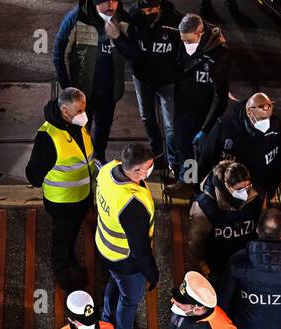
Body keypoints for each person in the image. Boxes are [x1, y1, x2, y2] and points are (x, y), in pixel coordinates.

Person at [25, 87, 94, 290]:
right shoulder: (48, 138)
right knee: (62, 239)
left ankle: (69, 258)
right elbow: (34, 175)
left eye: (84, 109)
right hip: (63, 203)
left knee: (71, 234)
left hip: (81, 198)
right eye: (79, 111)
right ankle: (63, 273)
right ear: (65, 109)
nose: (84, 115)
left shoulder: (76, 125)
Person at [94, 142, 157, 329]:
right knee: (130, 299)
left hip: (105, 247)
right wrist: (151, 274)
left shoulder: (107, 170)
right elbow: (140, 249)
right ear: (136, 170)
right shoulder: (132, 204)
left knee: (114, 282)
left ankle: (107, 317)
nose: (151, 168)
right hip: (125, 259)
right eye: (148, 165)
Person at [54, 0, 128, 161]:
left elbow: (133, 51)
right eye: (106, 2)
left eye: (114, 0)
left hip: (109, 91)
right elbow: (59, 54)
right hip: (82, 92)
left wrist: (120, 38)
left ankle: (99, 158)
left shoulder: (123, 18)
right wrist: (68, 90)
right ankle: (80, 161)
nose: (111, 6)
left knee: (103, 128)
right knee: (79, 131)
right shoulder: (76, 18)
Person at [114, 0, 181, 177]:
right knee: (147, 117)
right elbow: (129, 47)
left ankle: (173, 161)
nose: (148, 13)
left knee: (170, 124)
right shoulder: (135, 19)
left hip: (168, 81)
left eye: (151, 9)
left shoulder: (174, 22)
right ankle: (157, 153)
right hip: (143, 79)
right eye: (145, 9)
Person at [172, 13, 230, 188]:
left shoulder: (219, 55)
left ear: (200, 33)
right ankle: (188, 182)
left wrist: (206, 128)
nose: (185, 45)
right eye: (183, 41)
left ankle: (201, 187)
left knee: (203, 154)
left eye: (189, 41)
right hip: (183, 108)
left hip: (204, 113)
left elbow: (221, 95)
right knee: (184, 148)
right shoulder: (183, 45)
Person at [187, 159, 262, 293]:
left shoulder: (256, 198)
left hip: (247, 265)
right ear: (227, 185)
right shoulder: (205, 205)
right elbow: (196, 243)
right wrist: (202, 270)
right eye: (240, 189)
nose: (245, 192)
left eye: (248, 186)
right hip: (218, 269)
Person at [197, 91, 281, 201]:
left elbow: (280, 157)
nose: (266, 123)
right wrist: (197, 189)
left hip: (258, 193)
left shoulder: (275, 127)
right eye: (261, 119)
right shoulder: (224, 128)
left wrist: (269, 190)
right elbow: (205, 160)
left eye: (267, 118)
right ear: (249, 112)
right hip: (227, 193)